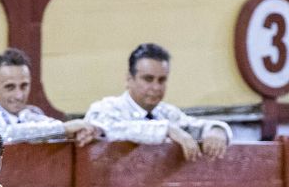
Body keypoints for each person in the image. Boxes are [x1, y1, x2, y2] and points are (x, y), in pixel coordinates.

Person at [84, 43, 233, 161]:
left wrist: (216, 130)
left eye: (162, 80)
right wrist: (167, 129)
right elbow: (112, 129)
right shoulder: (106, 108)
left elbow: (196, 126)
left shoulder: (166, 113)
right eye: (148, 79)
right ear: (129, 79)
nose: (156, 87)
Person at [0, 48, 102, 143]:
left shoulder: (31, 115)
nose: (19, 95)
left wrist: (80, 132)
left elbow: (53, 129)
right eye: (10, 87)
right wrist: (64, 130)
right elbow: (1, 135)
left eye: (24, 86)